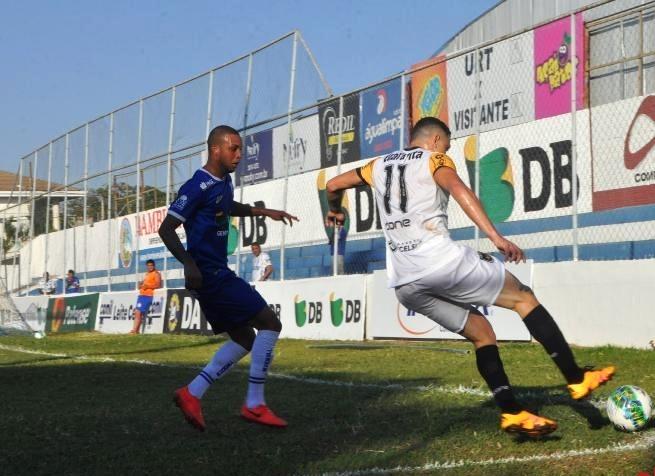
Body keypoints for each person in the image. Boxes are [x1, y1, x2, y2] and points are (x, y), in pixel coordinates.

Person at [324, 116, 615, 437]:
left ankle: (512, 413)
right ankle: (576, 378)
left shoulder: (377, 165)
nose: (447, 150)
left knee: (482, 333)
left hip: (405, 283)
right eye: (447, 145)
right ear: (434, 140)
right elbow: (458, 188)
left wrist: (335, 210)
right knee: (523, 298)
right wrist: (496, 237)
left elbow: (333, 185)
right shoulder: (434, 158)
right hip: (439, 261)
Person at [158, 124, 298, 431]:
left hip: (216, 273)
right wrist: (189, 263)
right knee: (270, 324)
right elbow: (166, 228)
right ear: (215, 150)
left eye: (240, 148)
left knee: (246, 339)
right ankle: (255, 404)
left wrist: (264, 212)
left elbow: (227, 207)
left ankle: (191, 393)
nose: (239, 154)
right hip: (210, 275)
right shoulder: (197, 186)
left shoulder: (224, 182)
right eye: (233, 148)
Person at [130, 259, 162, 334]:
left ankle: (134, 330)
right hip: (141, 295)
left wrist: (147, 286)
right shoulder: (146, 274)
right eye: (148, 266)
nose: (150, 267)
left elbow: (158, 285)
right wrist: (140, 285)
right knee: (138, 313)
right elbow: (141, 285)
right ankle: (136, 330)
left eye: (151, 265)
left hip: (148, 296)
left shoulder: (156, 274)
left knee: (138, 312)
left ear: (154, 266)